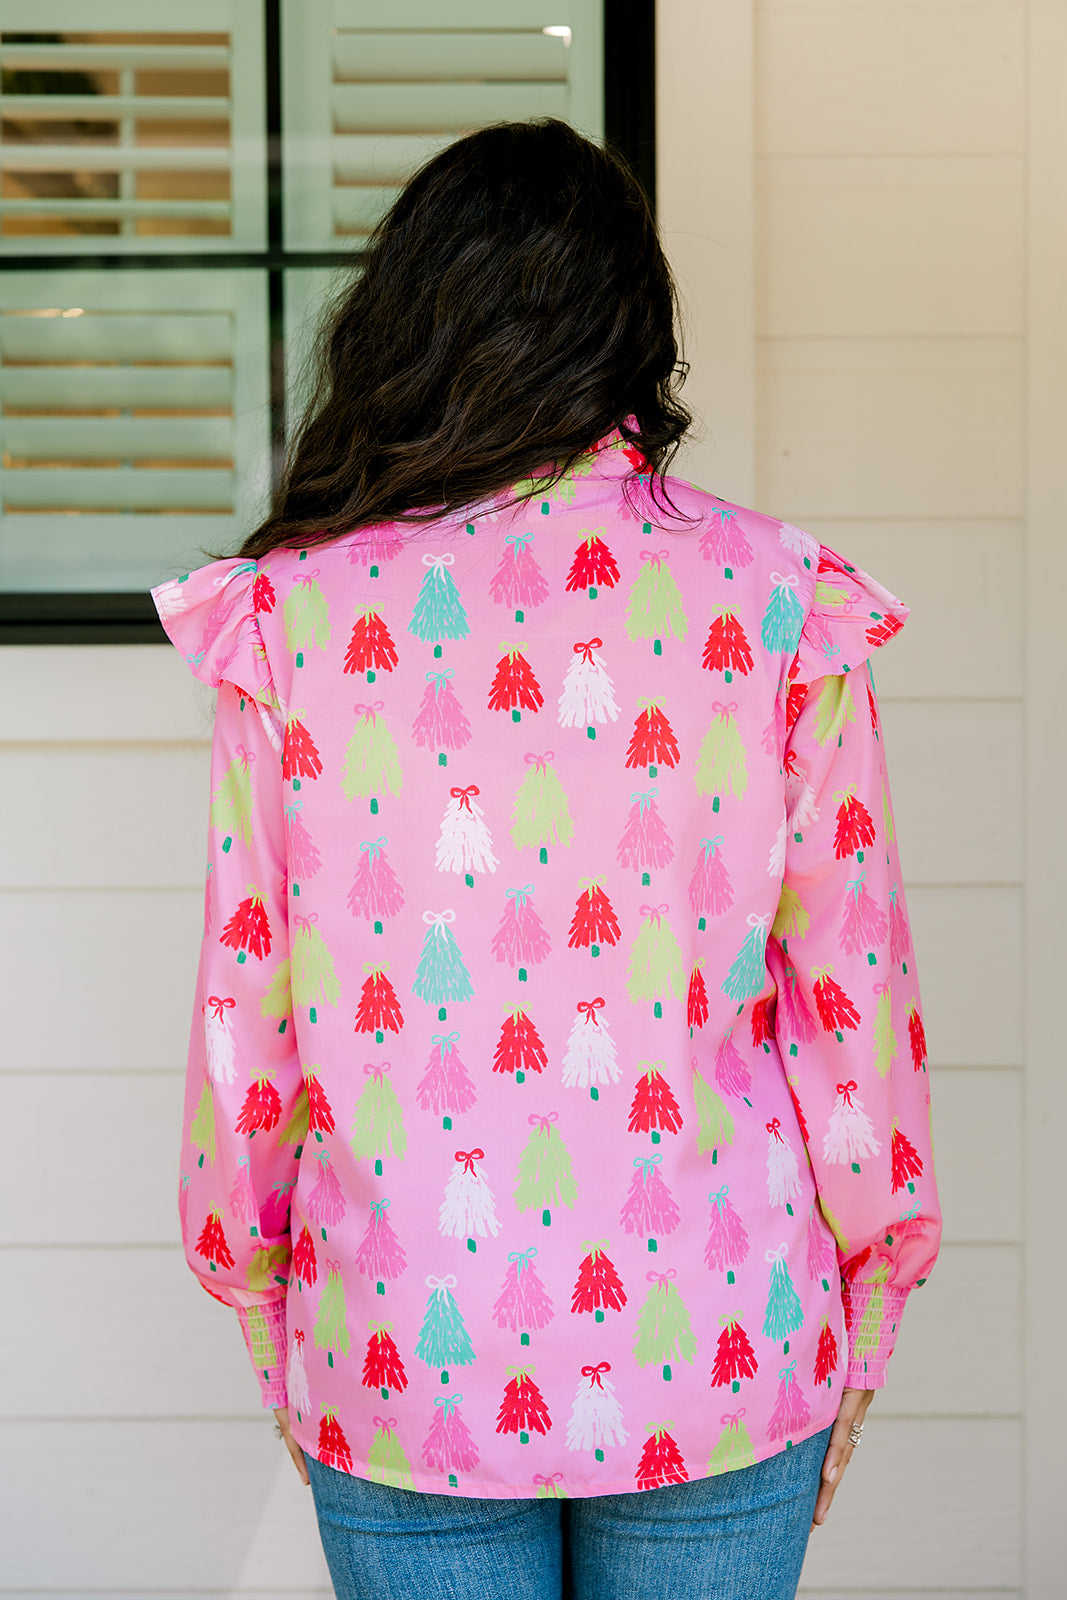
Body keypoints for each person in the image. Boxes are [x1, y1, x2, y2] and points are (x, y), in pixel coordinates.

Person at [151, 118, 942, 1600]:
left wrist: (264, 1301)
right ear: (634, 328)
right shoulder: (776, 603)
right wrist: (874, 1287)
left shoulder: (296, 619)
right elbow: (858, 998)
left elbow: (243, 1012)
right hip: (722, 1336)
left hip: (401, 1345)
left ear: (407, 324)